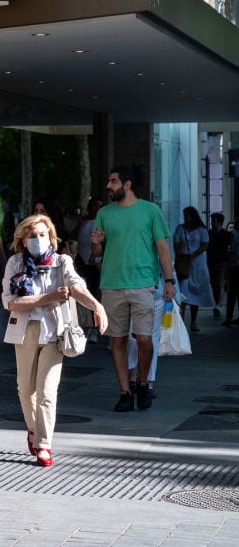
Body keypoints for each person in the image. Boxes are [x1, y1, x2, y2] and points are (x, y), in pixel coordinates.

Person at [3, 214, 107, 467]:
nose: (37, 240)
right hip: (25, 331)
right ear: (23, 239)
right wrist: (46, 298)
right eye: (32, 235)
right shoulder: (15, 263)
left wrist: (97, 307)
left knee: (47, 392)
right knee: (26, 390)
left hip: (55, 333)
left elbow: (77, 287)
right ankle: (32, 429)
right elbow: (10, 302)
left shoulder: (62, 262)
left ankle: (44, 444)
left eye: (42, 235)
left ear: (51, 238)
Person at [90, 165, 175, 412]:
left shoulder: (150, 211)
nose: (109, 186)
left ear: (127, 184)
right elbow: (97, 253)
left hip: (143, 284)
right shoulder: (104, 213)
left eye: (114, 181)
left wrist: (169, 281)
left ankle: (143, 383)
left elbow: (162, 248)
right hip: (112, 285)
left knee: (144, 339)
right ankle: (125, 392)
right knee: (117, 341)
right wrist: (95, 245)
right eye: (109, 181)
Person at [173, 206, 215, 332]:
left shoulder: (201, 230)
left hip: (198, 264)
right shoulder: (180, 229)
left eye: (187, 215)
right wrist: (181, 256)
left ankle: (194, 321)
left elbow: (204, 245)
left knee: (196, 292)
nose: (185, 218)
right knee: (183, 292)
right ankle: (181, 321)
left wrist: (193, 255)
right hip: (185, 265)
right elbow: (176, 244)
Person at [74, 197, 104, 342]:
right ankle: (83, 326)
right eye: (94, 206)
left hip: (95, 264)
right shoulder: (84, 222)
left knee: (94, 294)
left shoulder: (101, 224)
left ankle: (93, 328)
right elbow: (74, 237)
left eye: (99, 206)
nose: (96, 209)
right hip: (81, 262)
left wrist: (96, 260)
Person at [206, 212, 231, 318]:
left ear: (219, 222)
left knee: (220, 283)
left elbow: (230, 247)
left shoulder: (226, 234)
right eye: (211, 221)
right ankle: (217, 304)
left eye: (214, 221)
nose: (212, 223)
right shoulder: (209, 233)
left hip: (222, 263)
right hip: (211, 262)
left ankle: (218, 304)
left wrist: (228, 262)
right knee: (213, 284)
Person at [224, 220, 239, 326]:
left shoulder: (233, 234)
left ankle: (229, 318)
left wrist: (227, 261)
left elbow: (232, 249)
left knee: (232, 292)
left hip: (234, 266)